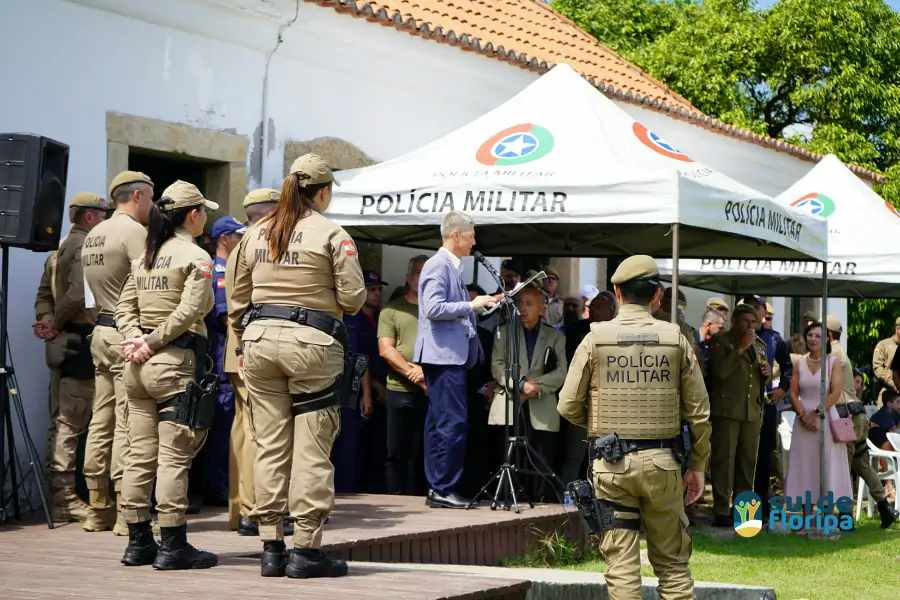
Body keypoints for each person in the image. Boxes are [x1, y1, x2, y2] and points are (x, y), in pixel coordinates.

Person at [229, 153, 365, 578]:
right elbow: (355, 299)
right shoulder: (331, 233)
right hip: (312, 345)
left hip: (259, 343)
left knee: (269, 444)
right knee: (311, 447)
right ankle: (306, 549)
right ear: (322, 192)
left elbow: (237, 300)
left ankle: (271, 546)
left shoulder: (255, 234)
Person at [558, 255, 710, 600]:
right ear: (657, 296)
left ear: (616, 291)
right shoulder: (676, 339)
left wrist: (600, 425)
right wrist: (698, 466)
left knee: (622, 569)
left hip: (611, 467)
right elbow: (699, 413)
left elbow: (567, 405)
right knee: (672, 566)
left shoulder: (595, 338)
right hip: (663, 464)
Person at [115, 180, 218, 569]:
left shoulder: (147, 254)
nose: (204, 217)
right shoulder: (194, 255)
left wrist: (134, 340)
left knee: (139, 456)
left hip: (136, 369)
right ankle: (173, 542)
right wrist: (152, 342)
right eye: (203, 211)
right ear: (193, 215)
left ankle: (139, 542)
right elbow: (190, 312)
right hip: (173, 365)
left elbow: (123, 306)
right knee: (174, 456)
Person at [81, 171, 154, 534]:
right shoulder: (134, 233)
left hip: (100, 330)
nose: (153, 207)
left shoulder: (93, 234)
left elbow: (88, 297)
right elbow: (151, 285)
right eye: (151, 199)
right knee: (128, 420)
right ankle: (129, 512)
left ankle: (97, 508)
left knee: (101, 417)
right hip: (127, 332)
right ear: (138, 196)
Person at [415, 211, 498, 509]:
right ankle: (442, 487)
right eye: (471, 234)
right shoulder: (438, 265)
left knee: (443, 422)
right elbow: (434, 308)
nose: (475, 240)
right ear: (455, 235)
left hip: (449, 356)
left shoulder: (449, 266)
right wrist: (471, 304)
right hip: (443, 357)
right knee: (451, 422)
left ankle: (440, 486)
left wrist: (480, 306)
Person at [221, 188, 292, 536]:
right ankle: (255, 510)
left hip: (245, 348)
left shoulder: (242, 245)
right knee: (258, 432)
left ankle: (242, 507)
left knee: (245, 431)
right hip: (252, 348)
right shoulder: (257, 244)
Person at [39, 192, 108, 523]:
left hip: (61, 343)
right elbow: (78, 293)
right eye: (103, 214)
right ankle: (65, 497)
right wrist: (58, 321)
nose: (106, 219)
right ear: (90, 218)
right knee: (73, 421)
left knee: (62, 419)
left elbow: (43, 295)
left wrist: (47, 319)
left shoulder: (57, 250)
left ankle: (62, 494)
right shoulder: (85, 247)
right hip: (78, 340)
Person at [489, 286, 567, 501]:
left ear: (542, 308)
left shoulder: (555, 336)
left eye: (529, 304)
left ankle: (540, 504)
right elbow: (497, 366)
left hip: (542, 408)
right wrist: (521, 385)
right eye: (519, 303)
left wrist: (536, 388)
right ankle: (509, 500)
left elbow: (562, 371)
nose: (522, 308)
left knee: (541, 459)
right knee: (509, 458)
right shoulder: (503, 332)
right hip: (509, 403)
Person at [826, 316, 898, 528]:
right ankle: (885, 508)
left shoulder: (832, 354)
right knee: (862, 464)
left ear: (828, 335)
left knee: (843, 467)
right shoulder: (842, 352)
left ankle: (846, 516)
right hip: (856, 415)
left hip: (844, 416)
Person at [195, 216, 247, 509]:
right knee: (223, 420)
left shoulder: (230, 268)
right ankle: (218, 486)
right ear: (225, 238)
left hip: (223, 351)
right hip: (222, 352)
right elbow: (227, 319)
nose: (242, 241)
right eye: (238, 236)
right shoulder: (220, 271)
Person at [785, 321, 852, 531]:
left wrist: (816, 413)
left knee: (826, 465)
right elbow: (793, 392)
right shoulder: (799, 362)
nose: (813, 339)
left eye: (818, 335)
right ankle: (804, 520)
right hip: (803, 419)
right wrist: (803, 414)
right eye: (810, 335)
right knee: (805, 466)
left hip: (826, 416)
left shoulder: (833, 361)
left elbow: (836, 392)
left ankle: (825, 518)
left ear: (826, 340)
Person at [707, 304, 769, 527]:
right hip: (727, 411)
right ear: (734, 321)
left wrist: (767, 375)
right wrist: (740, 349)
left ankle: (743, 510)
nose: (750, 327)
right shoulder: (720, 342)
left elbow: (757, 378)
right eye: (745, 321)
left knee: (746, 463)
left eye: (753, 322)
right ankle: (722, 509)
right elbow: (720, 372)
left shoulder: (759, 345)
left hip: (751, 410)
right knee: (724, 460)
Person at [378, 256, 430, 496]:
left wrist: (427, 378)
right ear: (408, 277)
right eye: (418, 272)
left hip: (432, 390)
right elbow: (386, 349)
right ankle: (396, 497)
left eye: (427, 272)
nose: (422, 277)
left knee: (427, 450)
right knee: (396, 451)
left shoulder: (438, 310)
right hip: (400, 391)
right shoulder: (391, 310)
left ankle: (424, 497)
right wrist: (416, 376)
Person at [740, 295, 792, 520]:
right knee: (741, 456)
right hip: (741, 405)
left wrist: (782, 388)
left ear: (763, 313)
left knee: (764, 456)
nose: (753, 312)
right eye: (749, 307)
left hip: (766, 404)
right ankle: (739, 505)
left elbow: (788, 367)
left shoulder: (774, 339)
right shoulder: (735, 338)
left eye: (757, 308)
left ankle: (761, 505)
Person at [334, 270, 386, 492]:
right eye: (370, 289)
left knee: (358, 447)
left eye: (378, 290)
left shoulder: (369, 317)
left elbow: (364, 357)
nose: (376, 294)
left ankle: (353, 487)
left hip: (361, 390)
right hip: (337, 387)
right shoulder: (344, 316)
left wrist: (370, 392)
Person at [872, 317, 900, 404]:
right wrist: (894, 383)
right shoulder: (883, 345)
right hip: (888, 394)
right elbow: (878, 368)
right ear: (898, 329)